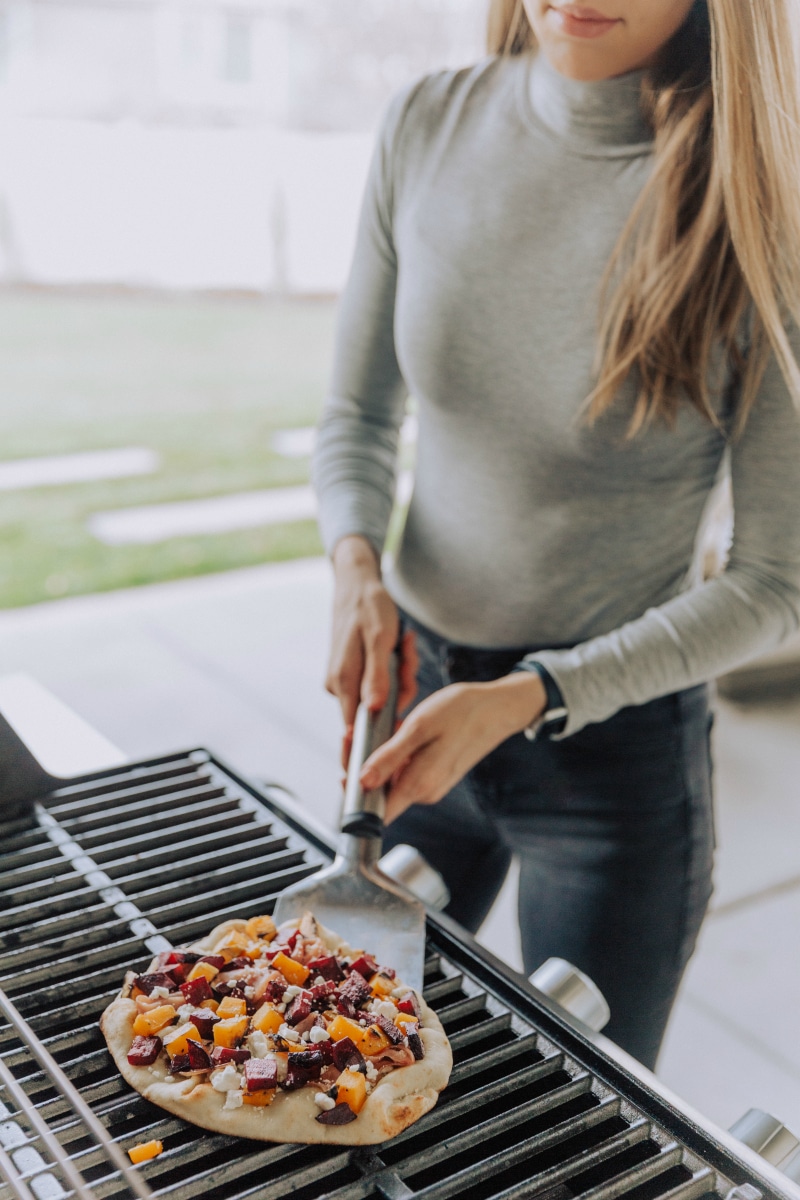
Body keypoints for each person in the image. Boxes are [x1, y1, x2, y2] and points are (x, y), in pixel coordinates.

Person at [311, 0, 800, 1070]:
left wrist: (529, 694)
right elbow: (354, 420)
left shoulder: (764, 204)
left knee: (571, 1131)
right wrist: (355, 563)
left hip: (607, 760)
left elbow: (773, 582)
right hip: (411, 708)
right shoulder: (425, 124)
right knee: (339, 1073)